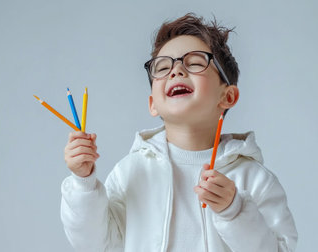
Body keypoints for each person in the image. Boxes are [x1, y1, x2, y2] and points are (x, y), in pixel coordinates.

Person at [60, 13, 298, 252]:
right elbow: (93, 244)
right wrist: (83, 184)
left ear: (228, 96)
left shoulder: (253, 179)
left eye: (194, 63)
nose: (175, 70)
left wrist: (235, 210)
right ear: (153, 103)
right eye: (163, 67)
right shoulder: (131, 171)